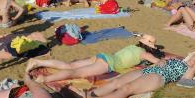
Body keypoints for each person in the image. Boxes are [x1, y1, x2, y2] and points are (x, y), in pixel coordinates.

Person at [82, 52, 195, 98]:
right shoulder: (181, 59)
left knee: (127, 88)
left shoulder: (189, 72)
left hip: (159, 77)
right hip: (151, 69)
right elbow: (164, 57)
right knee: (117, 81)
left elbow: (185, 81)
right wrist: (161, 60)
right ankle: (91, 93)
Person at [26, 34, 164, 83]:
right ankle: (46, 79)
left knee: (71, 66)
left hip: (103, 56)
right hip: (108, 63)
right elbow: (158, 62)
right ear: (149, 47)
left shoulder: (132, 47)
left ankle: (38, 61)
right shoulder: (144, 54)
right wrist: (159, 58)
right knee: (75, 73)